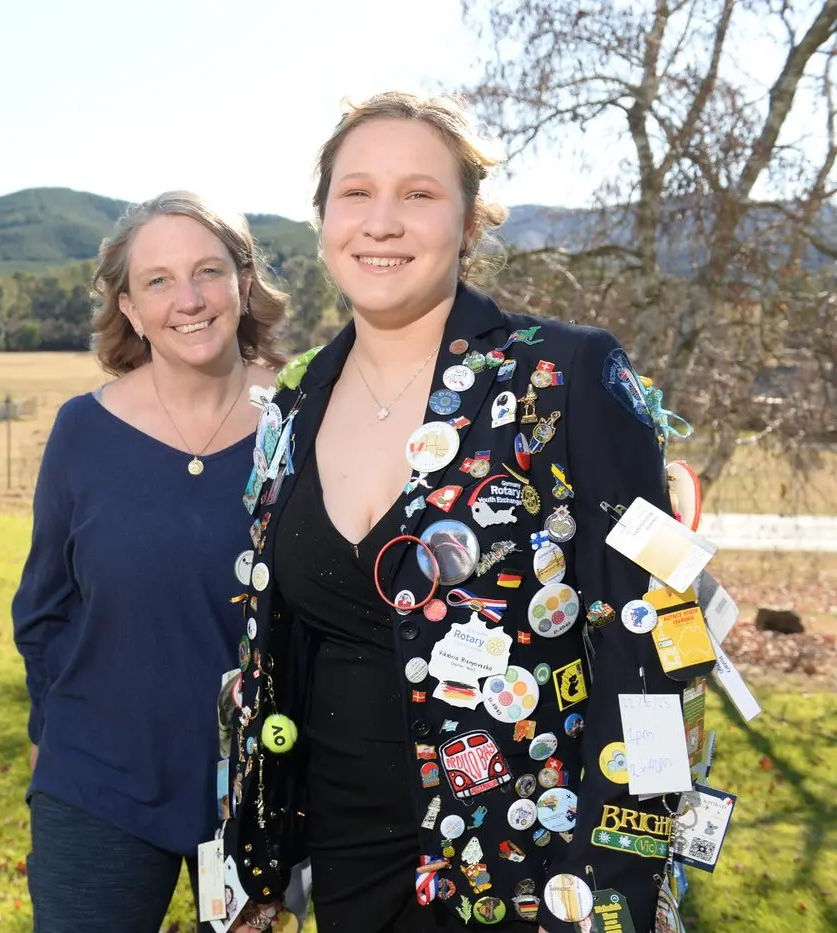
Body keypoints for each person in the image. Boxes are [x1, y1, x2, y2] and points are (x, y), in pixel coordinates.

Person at [222, 92, 686, 933]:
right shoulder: (295, 404)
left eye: (420, 194)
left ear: (470, 222)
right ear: (324, 218)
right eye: (356, 193)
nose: (382, 222)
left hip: (534, 870)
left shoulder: (566, 375)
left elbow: (648, 638)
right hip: (346, 857)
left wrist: (612, 874)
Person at [13, 190, 289, 933]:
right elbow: (43, 605)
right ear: (129, 308)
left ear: (243, 282)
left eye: (207, 271)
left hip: (260, 792)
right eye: (159, 281)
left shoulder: (302, 423)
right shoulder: (83, 431)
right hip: (99, 778)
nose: (189, 299)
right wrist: (50, 733)